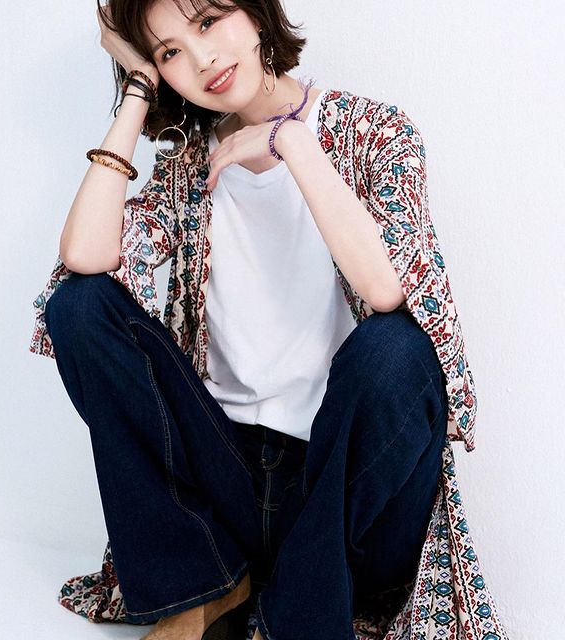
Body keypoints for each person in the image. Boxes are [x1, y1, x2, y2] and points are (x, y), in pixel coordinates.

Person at [29, 1, 510, 639]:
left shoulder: (374, 132)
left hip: (345, 498)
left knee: (397, 349)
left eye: (207, 21)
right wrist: (137, 88)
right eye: (170, 52)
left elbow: (387, 289)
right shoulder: (189, 167)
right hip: (226, 485)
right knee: (81, 305)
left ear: (256, 14)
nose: (202, 59)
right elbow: (84, 258)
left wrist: (292, 141)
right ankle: (202, 587)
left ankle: (293, 617)